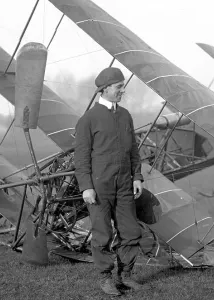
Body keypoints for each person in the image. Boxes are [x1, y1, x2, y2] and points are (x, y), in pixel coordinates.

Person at [74, 67, 145, 296]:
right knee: (102, 233)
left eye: (122, 86)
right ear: (104, 89)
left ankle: (125, 276)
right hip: (99, 186)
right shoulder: (88, 119)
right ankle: (106, 278)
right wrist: (86, 186)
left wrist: (137, 176)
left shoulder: (125, 115)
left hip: (125, 184)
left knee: (130, 230)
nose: (122, 91)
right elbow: (82, 157)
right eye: (119, 87)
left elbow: (133, 149)